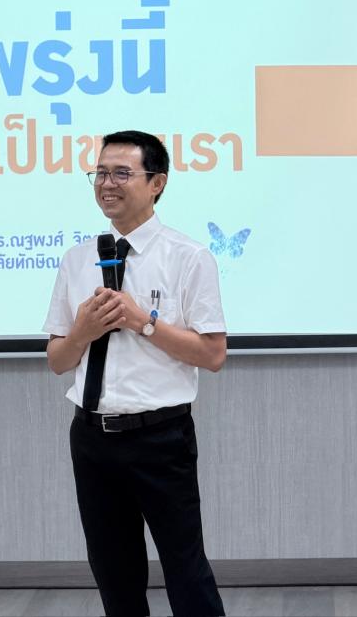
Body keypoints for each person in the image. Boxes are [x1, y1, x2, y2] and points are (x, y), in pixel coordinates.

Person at [43, 130, 227, 617]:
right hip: (91, 438)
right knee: (114, 575)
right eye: (100, 173)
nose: (107, 184)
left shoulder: (189, 257)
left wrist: (143, 322)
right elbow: (58, 360)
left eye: (121, 173)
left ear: (157, 183)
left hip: (160, 437)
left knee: (186, 572)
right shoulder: (77, 259)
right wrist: (82, 332)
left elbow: (212, 354)